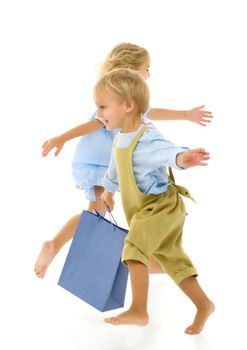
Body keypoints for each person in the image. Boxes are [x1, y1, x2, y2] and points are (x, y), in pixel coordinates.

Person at [34, 43, 213, 278]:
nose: (149, 75)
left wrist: (186, 115)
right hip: (101, 163)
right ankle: (57, 244)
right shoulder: (116, 100)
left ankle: (144, 260)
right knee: (96, 216)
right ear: (130, 70)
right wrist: (62, 138)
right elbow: (92, 123)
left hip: (107, 162)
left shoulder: (129, 101)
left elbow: (152, 111)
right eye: (146, 68)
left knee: (103, 215)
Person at [98, 68, 214, 335]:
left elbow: (169, 152)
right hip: (147, 210)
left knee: (134, 245)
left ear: (128, 106)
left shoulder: (147, 137)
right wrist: (108, 192)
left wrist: (184, 158)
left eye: (103, 106)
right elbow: (114, 171)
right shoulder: (120, 139)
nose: (98, 112)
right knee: (173, 260)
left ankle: (139, 309)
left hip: (161, 208)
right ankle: (204, 304)